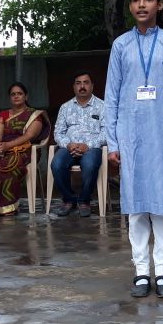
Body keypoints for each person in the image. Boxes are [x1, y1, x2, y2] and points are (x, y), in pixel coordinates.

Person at [105, 0, 163, 299]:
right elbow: (112, 94)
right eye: (137, 0)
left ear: (160, 4)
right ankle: (142, 272)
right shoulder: (121, 46)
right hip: (130, 136)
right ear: (130, 6)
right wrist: (113, 142)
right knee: (137, 207)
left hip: (161, 134)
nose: (142, 5)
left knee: (162, 206)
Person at [0, 82, 50, 216]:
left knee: (6, 164)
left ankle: (7, 207)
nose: (16, 96)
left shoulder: (35, 115)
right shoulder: (3, 114)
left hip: (24, 150)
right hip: (3, 148)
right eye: (13, 94)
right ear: (10, 98)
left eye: (19, 94)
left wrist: (8, 146)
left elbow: (29, 136)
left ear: (26, 96)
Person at [51, 72, 105, 218]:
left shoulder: (103, 106)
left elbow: (107, 133)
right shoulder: (65, 107)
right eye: (78, 83)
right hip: (69, 147)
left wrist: (87, 145)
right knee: (56, 164)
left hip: (91, 148)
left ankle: (84, 201)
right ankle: (69, 200)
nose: (82, 86)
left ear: (92, 86)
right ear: (74, 87)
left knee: (90, 164)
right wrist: (69, 145)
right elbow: (58, 133)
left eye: (86, 82)